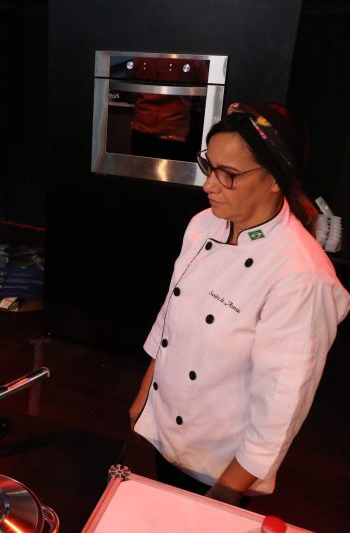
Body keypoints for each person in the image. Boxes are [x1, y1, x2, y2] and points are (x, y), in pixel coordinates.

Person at [129, 102, 350, 505]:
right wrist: (146, 393)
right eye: (209, 166)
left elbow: (280, 409)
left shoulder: (301, 278)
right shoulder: (203, 225)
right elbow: (172, 316)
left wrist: (226, 492)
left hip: (221, 463)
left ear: (275, 180)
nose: (208, 185)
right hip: (166, 427)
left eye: (228, 175)